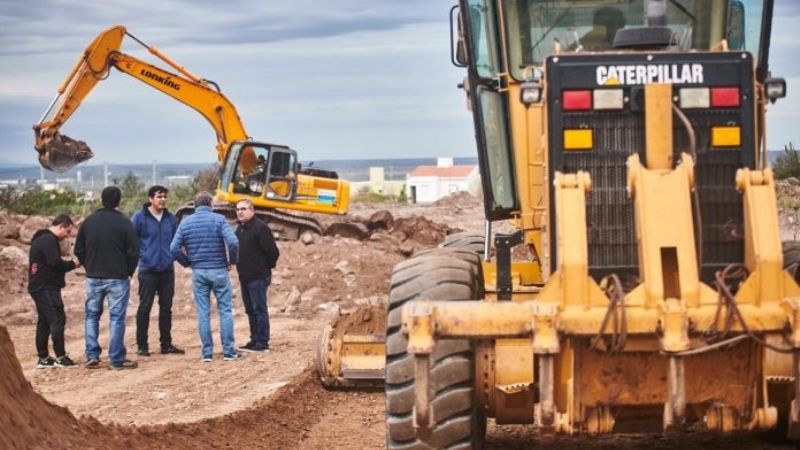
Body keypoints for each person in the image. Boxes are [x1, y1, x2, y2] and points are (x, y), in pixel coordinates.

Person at [170, 191, 242, 362]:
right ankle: (229, 352)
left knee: (203, 313)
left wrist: (187, 262)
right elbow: (233, 242)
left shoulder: (186, 223)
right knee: (225, 310)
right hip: (219, 270)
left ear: (194, 205)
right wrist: (232, 260)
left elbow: (173, 248)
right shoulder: (219, 220)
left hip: (199, 272)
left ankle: (207, 354)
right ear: (211, 204)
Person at [74, 186, 139, 370]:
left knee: (91, 315)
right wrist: (128, 271)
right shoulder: (125, 222)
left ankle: (92, 355)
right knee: (117, 318)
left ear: (101, 200)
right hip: (118, 277)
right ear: (119, 201)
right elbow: (134, 252)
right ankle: (115, 359)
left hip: (93, 277)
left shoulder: (89, 222)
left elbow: (78, 249)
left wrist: (90, 266)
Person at [132, 185, 187, 357]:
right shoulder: (139, 218)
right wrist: (142, 257)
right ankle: (142, 345)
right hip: (148, 270)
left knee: (166, 308)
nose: (162, 199)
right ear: (150, 199)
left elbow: (177, 242)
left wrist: (184, 260)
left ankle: (166, 344)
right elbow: (132, 242)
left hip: (166, 271)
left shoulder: (171, 218)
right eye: (159, 196)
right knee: (144, 308)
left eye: (164, 196)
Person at [28, 215, 79, 368]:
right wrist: (73, 264)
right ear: (62, 226)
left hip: (40, 286)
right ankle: (60, 357)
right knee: (57, 318)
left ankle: (44, 358)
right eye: (68, 231)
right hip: (45, 287)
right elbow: (54, 263)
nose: (67, 235)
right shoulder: (49, 240)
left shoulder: (41, 239)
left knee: (44, 321)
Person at [234, 199, 279, 353]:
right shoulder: (240, 229)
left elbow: (273, 252)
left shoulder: (261, 228)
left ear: (252, 210)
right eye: (238, 209)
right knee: (250, 310)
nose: (240, 212)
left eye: (243, 209)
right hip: (244, 277)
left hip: (258, 276)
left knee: (259, 308)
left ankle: (262, 342)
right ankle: (254, 340)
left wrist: (265, 268)